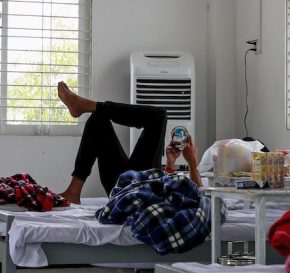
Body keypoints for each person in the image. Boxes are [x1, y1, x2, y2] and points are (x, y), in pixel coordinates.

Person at [55, 81, 201, 203]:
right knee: (97, 119)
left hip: (142, 192)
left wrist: (192, 163)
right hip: (131, 181)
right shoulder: (203, 179)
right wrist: (170, 164)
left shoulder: (214, 194)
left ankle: (87, 105)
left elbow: (200, 199)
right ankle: (74, 191)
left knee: (159, 115)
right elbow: (170, 187)